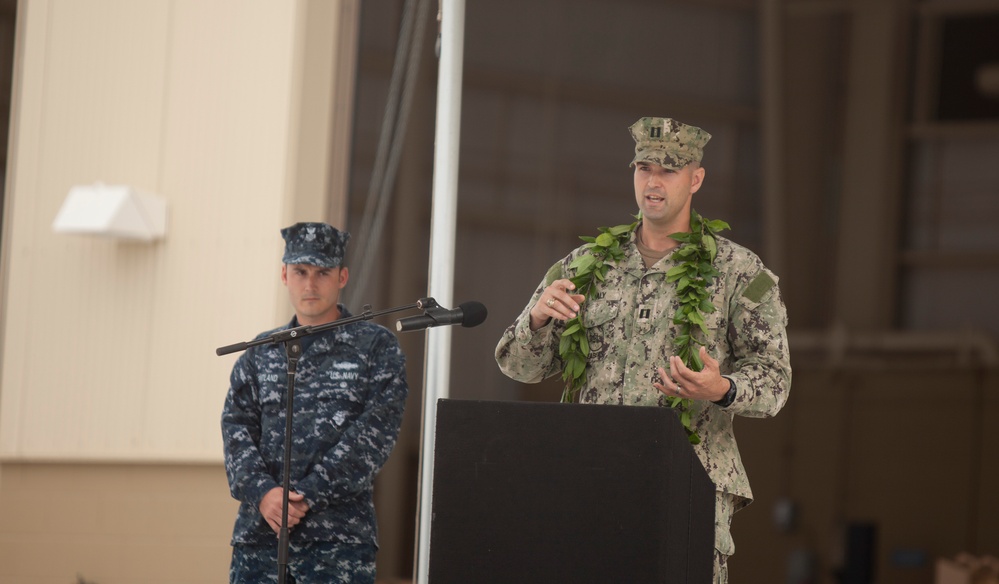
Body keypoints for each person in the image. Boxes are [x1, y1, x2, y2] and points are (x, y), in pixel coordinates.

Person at [495, 117, 791, 583]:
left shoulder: (738, 271)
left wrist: (722, 387)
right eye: (644, 167)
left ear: (695, 178)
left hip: (687, 483)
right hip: (591, 483)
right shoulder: (585, 264)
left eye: (669, 170)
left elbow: (775, 381)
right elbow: (519, 366)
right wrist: (535, 321)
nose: (653, 181)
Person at [222, 222, 409, 584]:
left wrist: (303, 497)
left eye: (322, 273)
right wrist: (263, 494)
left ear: (342, 277)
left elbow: (374, 436)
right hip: (260, 539)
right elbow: (236, 430)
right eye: (300, 272)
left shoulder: (375, 349)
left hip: (336, 544)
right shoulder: (259, 353)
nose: (310, 284)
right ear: (284, 275)